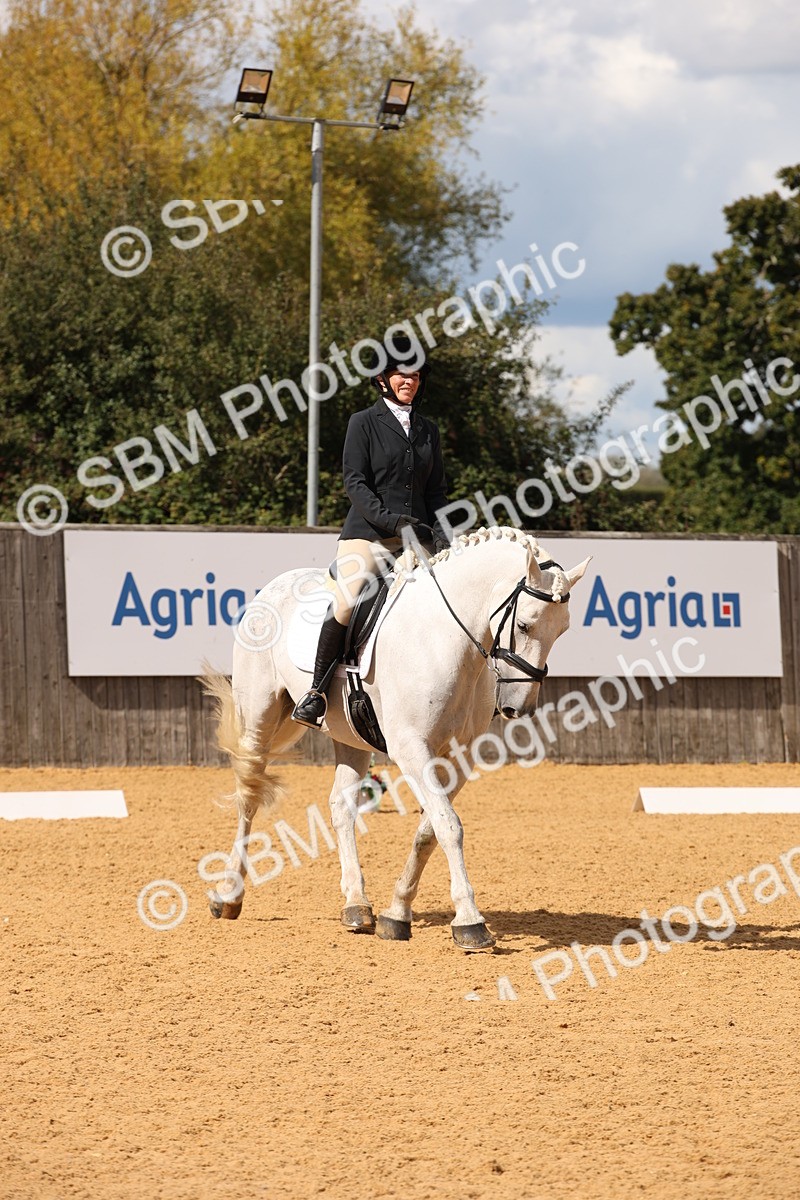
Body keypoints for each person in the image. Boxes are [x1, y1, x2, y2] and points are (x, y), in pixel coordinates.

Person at [292, 336, 451, 728]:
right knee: (347, 600)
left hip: (418, 537)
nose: (409, 381)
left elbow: (437, 492)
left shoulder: (429, 430)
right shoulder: (363, 423)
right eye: (401, 374)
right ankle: (316, 692)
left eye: (414, 375)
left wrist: (445, 535)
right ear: (383, 379)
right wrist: (391, 521)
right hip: (368, 534)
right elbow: (355, 482)